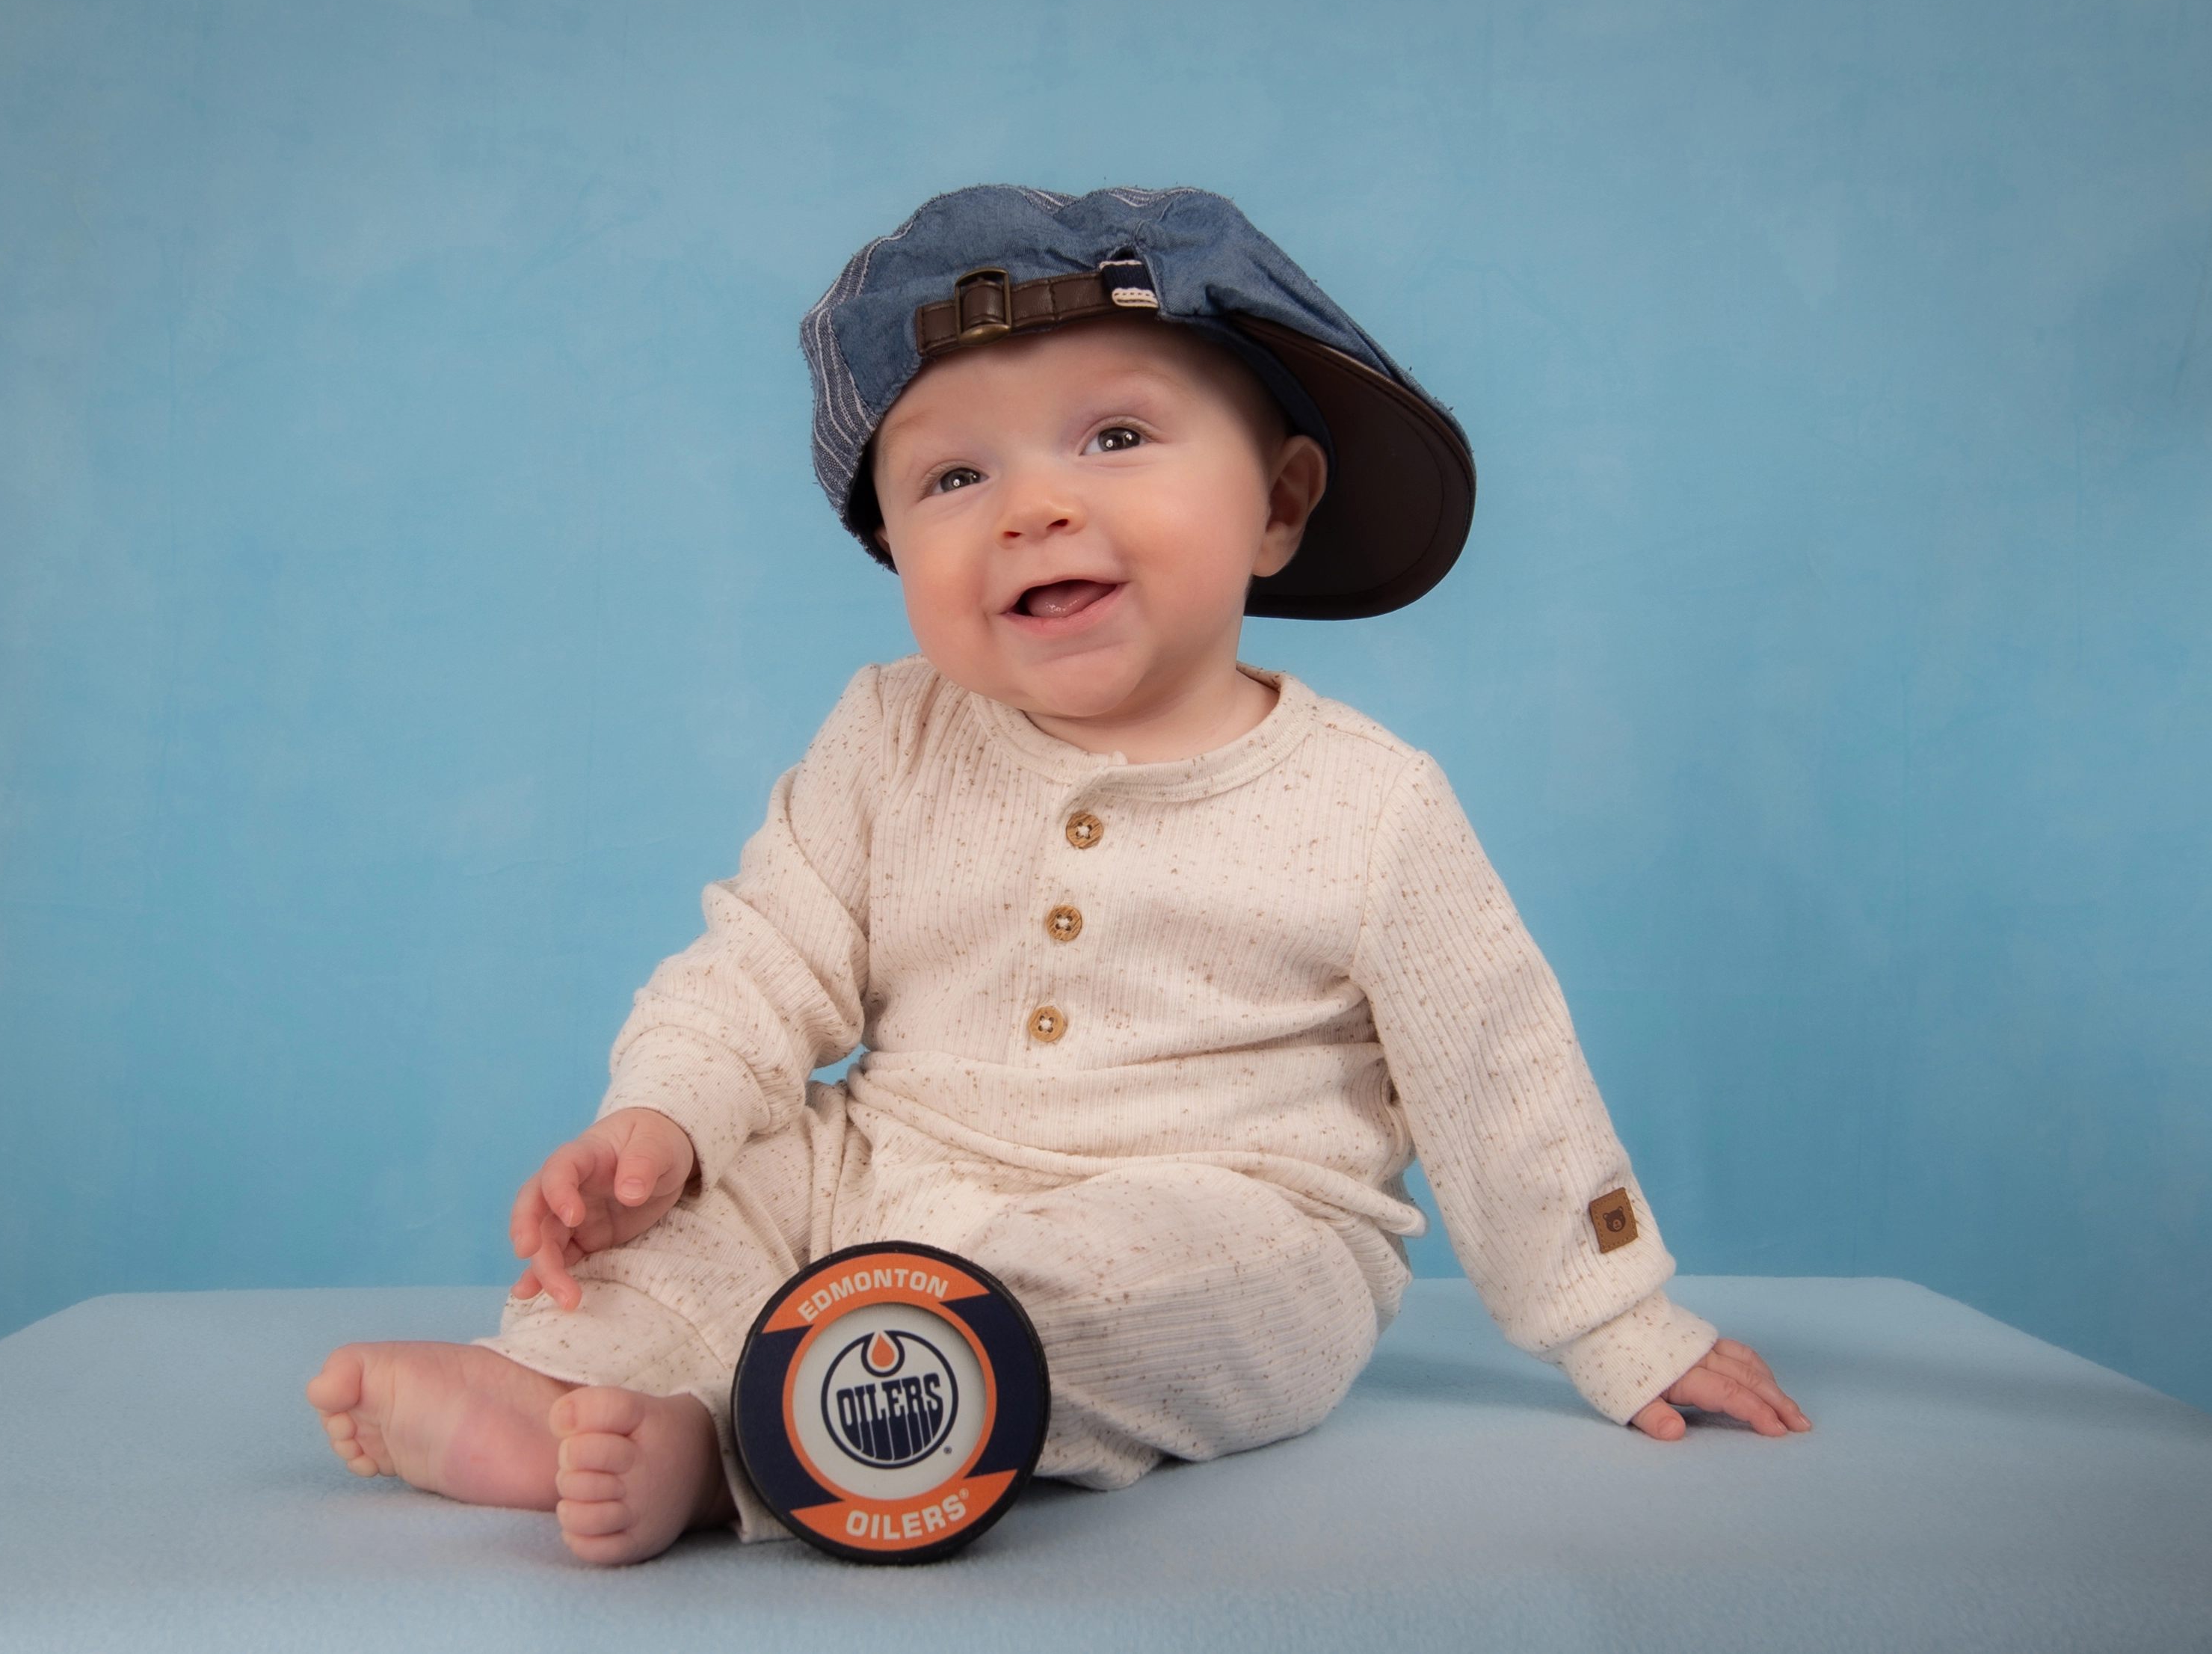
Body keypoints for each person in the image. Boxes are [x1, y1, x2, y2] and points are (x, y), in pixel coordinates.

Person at [306, 185, 1809, 1566]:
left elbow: (1499, 1073)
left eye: (1114, 438)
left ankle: (743, 1457)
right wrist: (660, 1117)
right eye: (955, 473)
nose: (1031, 507)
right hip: (888, 1169)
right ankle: (563, 1382)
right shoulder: (890, 732)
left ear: (1280, 505)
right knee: (720, 1202)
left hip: (1225, 1206)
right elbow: (763, 957)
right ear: (893, 545)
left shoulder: (1368, 803)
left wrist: (1614, 1317)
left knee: (1120, 1296)